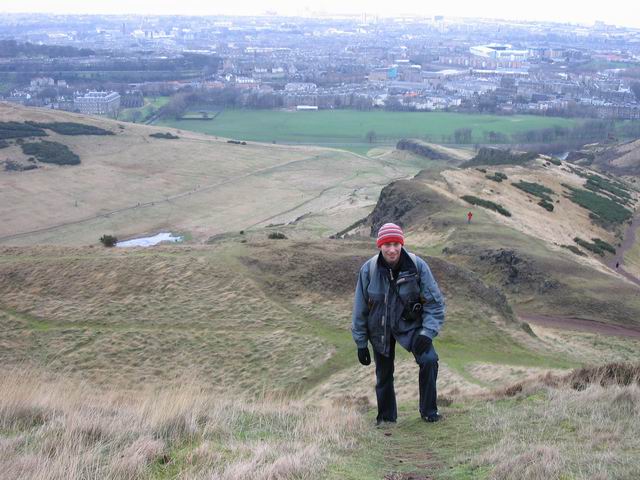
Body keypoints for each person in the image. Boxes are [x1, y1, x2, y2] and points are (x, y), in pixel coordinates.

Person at [352, 223, 446, 425]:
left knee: (429, 360)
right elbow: (360, 310)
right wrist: (361, 344)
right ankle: (386, 418)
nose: (392, 249)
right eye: (387, 244)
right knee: (384, 374)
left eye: (396, 244)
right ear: (380, 245)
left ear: (402, 244)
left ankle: (429, 411)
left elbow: (435, 304)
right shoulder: (368, 270)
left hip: (411, 327)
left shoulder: (417, 266)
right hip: (380, 329)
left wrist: (427, 333)